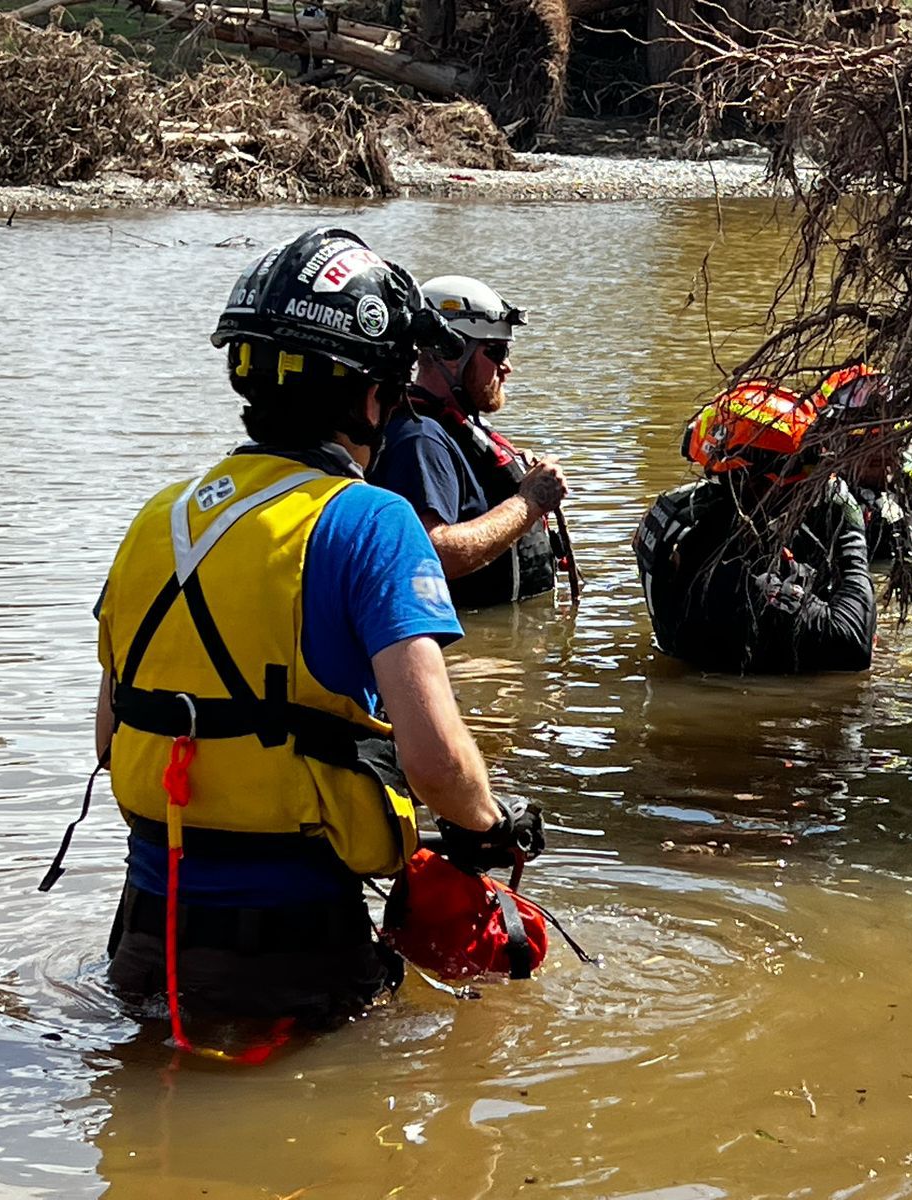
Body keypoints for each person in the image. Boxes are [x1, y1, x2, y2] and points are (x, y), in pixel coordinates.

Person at [82, 227, 544, 1027]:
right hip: (293, 949)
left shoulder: (157, 516)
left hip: (142, 933)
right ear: (373, 396)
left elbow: (107, 738)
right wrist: (492, 826)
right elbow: (435, 763)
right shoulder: (373, 522)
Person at [632, 382, 877, 674]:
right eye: (802, 469)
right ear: (753, 479)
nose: (811, 484)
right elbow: (852, 645)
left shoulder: (679, 514)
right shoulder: (739, 580)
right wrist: (851, 537)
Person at [367, 275, 567, 610]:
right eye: (496, 351)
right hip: (470, 650)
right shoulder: (419, 439)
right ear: (450, 355)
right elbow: (431, 555)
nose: (507, 367)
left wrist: (516, 476)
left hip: (510, 637)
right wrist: (528, 503)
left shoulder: (453, 429)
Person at [813, 364, 912, 565]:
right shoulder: (829, 494)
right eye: (860, 443)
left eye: (886, 443)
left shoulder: (906, 485)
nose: (877, 452)